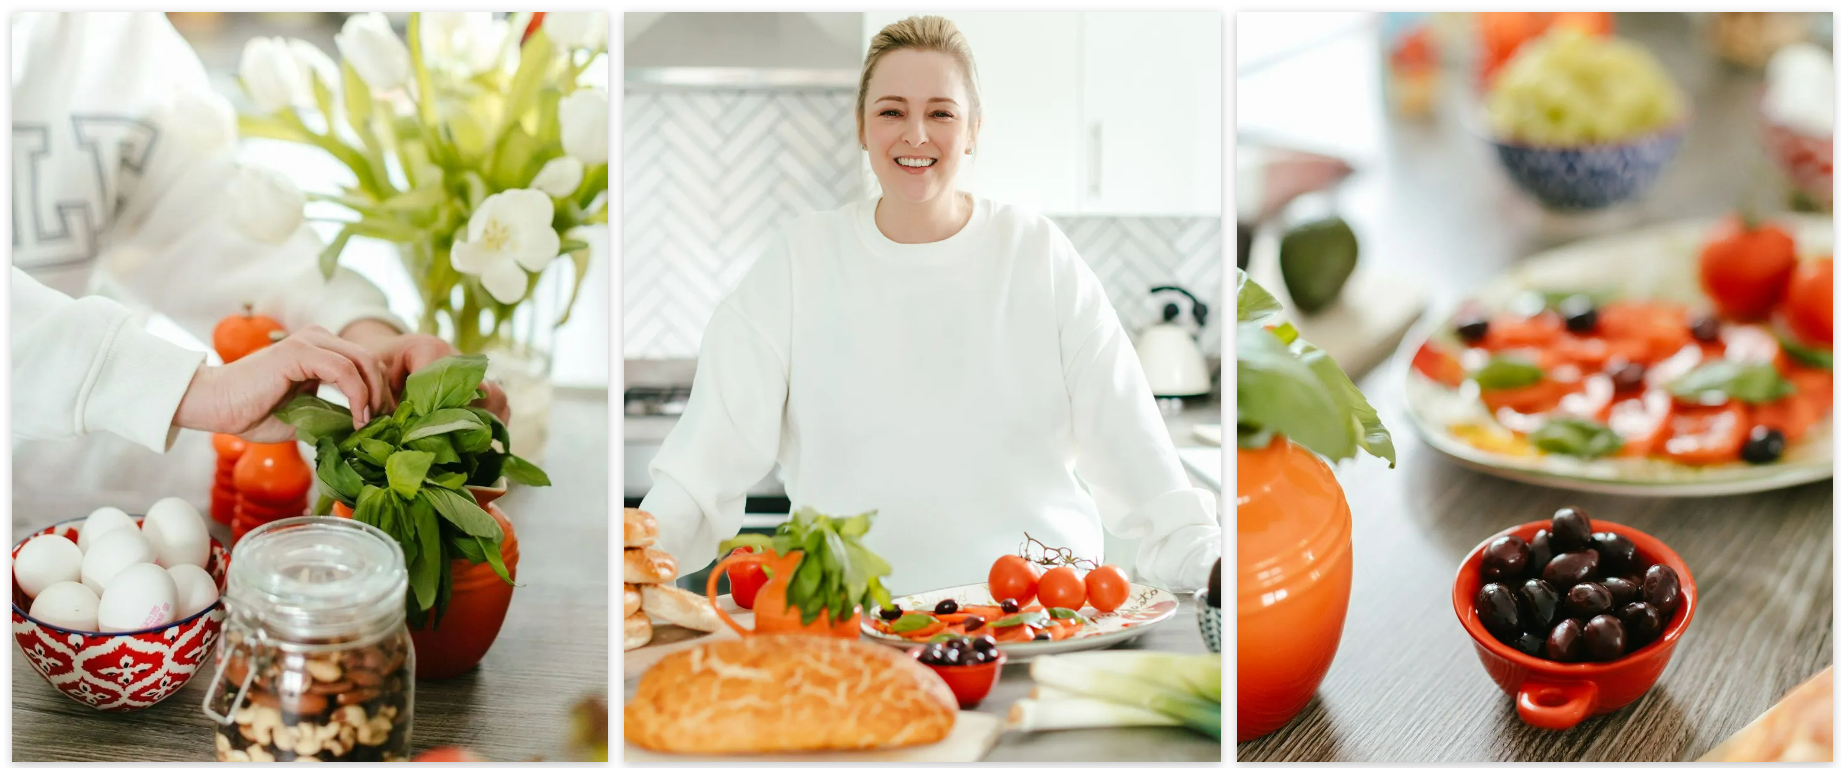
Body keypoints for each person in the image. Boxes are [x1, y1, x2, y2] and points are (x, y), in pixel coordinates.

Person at [640, 16, 1220, 596]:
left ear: (972, 131)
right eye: (891, 111)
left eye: (941, 112)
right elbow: (706, 457)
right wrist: (643, 551)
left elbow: (1136, 453)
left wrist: (1211, 562)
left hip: (1039, 618)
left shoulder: (1037, 254)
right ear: (862, 129)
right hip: (853, 625)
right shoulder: (798, 261)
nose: (916, 134)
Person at [11, 13, 503, 501]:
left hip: (54, 472)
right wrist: (196, 390)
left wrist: (362, 334)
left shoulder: (113, 32)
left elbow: (206, 220)